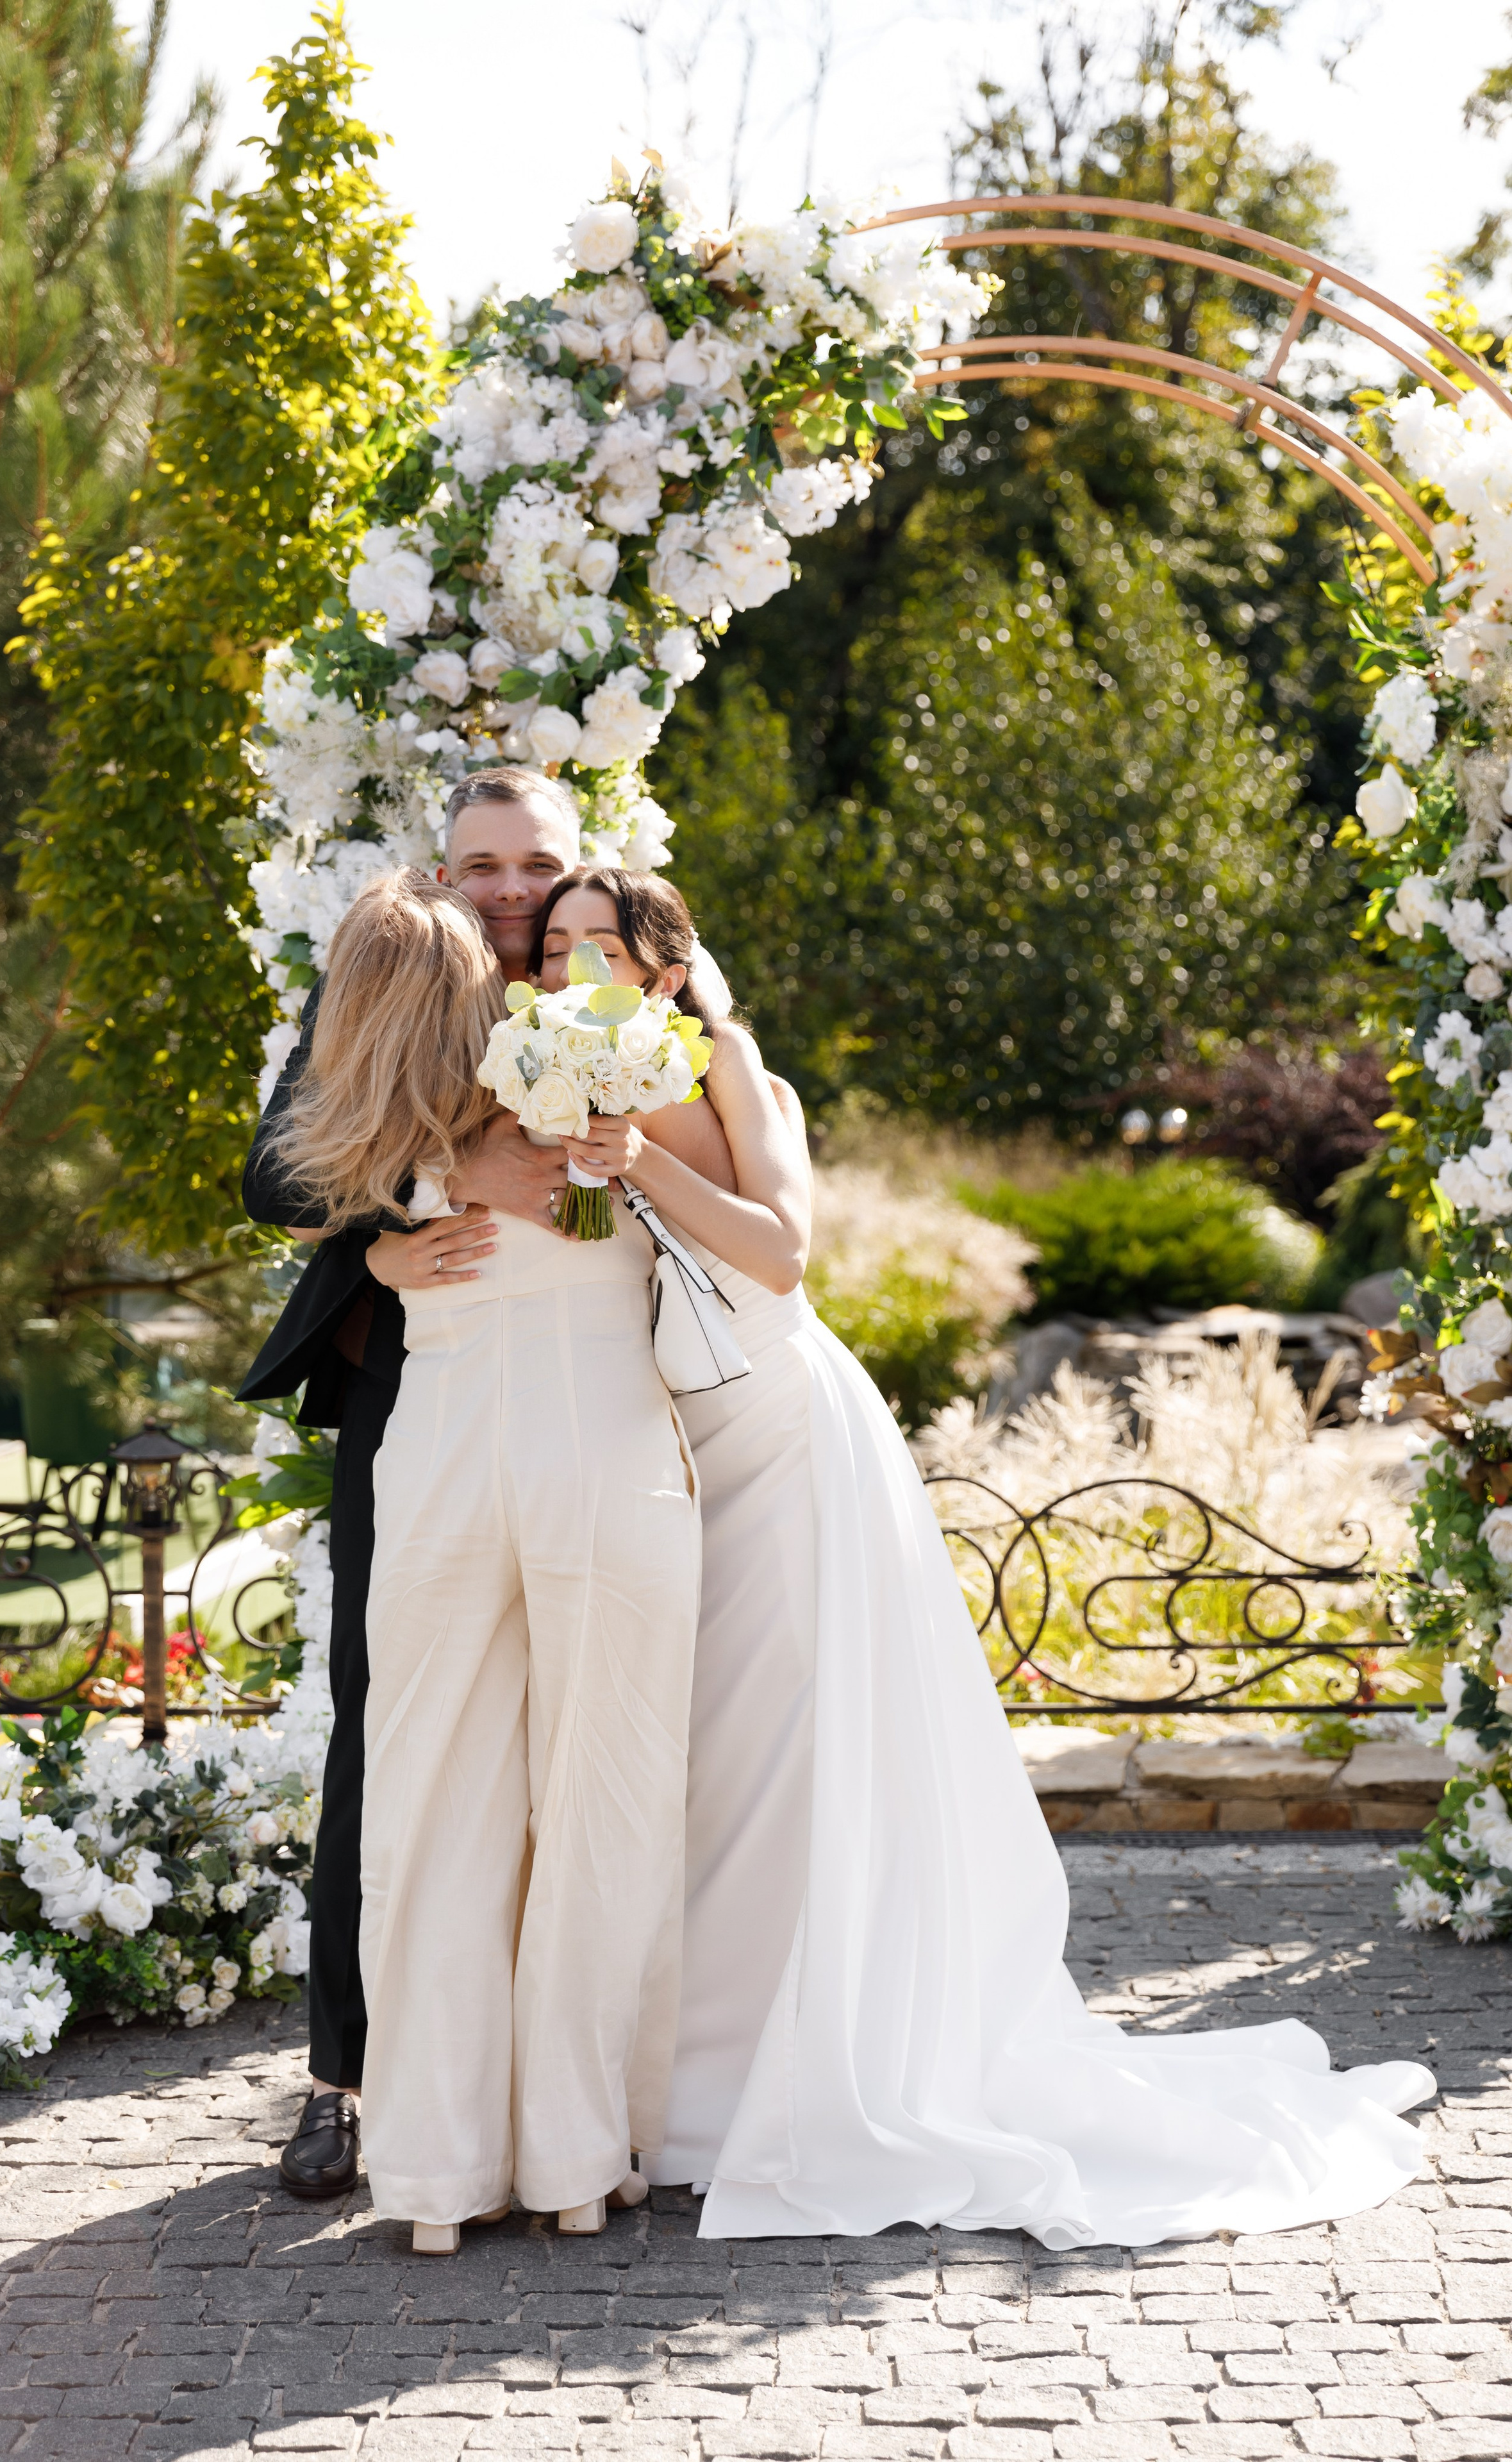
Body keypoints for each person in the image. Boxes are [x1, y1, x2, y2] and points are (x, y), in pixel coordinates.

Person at [529, 868, 1438, 2248]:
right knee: (715, 1757)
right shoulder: (547, 1076)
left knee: (787, 1750)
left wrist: (634, 1158)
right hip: (678, 1447)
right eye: (552, 949)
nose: (567, 970)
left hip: (787, 1431)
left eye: (598, 947)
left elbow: (780, 1255)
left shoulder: (731, 1073)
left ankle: (780, 2085)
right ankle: (697, 2073)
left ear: (661, 972)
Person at [272, 862, 700, 2249]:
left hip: (440, 1460)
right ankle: (574, 2155)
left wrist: (404, 1219)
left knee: (429, 1803)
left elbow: (310, 1170)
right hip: (598, 1452)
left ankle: (436, 2171)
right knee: (598, 1796)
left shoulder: (393, 1154)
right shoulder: (605, 1091)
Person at [237, 769, 579, 2200]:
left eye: (534, 864)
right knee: (381, 1729)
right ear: (445, 872)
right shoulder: (391, 970)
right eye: (482, 864)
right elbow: (275, 1178)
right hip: (413, 1401)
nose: (510, 890)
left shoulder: (616, 979)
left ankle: (555, 2076)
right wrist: (404, 1214)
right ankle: (341, 2082)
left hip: (586, 1406)